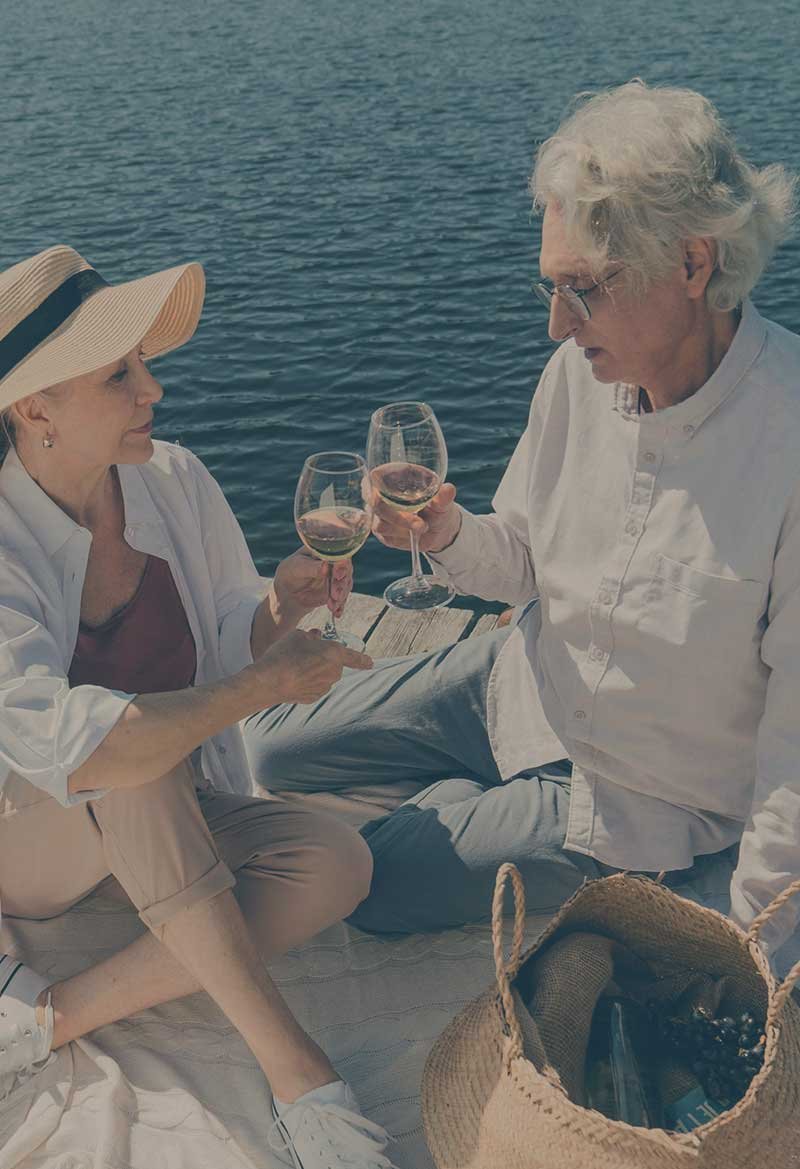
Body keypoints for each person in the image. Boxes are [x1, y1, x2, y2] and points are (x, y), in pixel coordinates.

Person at [244, 80, 800, 975]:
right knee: (262, 740)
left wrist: (752, 949)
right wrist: (448, 527)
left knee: (360, 885)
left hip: (629, 800)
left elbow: (795, 755)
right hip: (518, 688)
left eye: (582, 289)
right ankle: (467, 800)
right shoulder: (579, 374)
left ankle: (488, 824)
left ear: (694, 264)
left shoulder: (790, 445)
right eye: (552, 287)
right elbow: (524, 557)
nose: (555, 323)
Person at [0, 246, 399, 1169]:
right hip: (28, 835)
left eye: (143, 364)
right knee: (124, 744)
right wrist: (266, 686)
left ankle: (55, 1014)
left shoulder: (171, 478)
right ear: (34, 408)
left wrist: (279, 608)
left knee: (336, 862)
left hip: (153, 802)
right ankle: (299, 1073)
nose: (155, 391)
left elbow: (221, 638)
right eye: (120, 375)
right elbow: (77, 744)